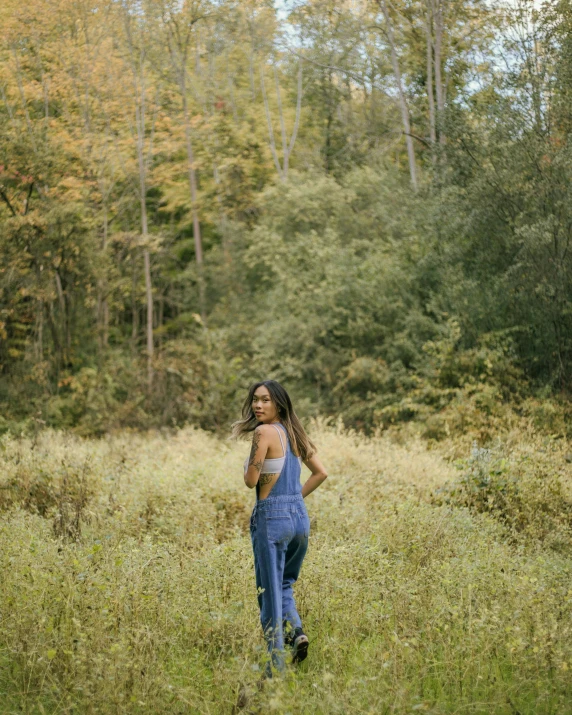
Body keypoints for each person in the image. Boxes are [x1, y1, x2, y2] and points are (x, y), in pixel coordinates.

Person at [232, 380, 328, 677]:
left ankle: (274, 672)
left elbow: (250, 480)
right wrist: (294, 500)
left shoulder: (263, 432)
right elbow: (321, 473)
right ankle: (296, 632)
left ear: (279, 404)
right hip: (298, 517)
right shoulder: (295, 433)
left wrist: (251, 461)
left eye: (265, 401)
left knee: (269, 593)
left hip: (272, 518)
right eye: (255, 400)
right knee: (285, 584)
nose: (258, 406)